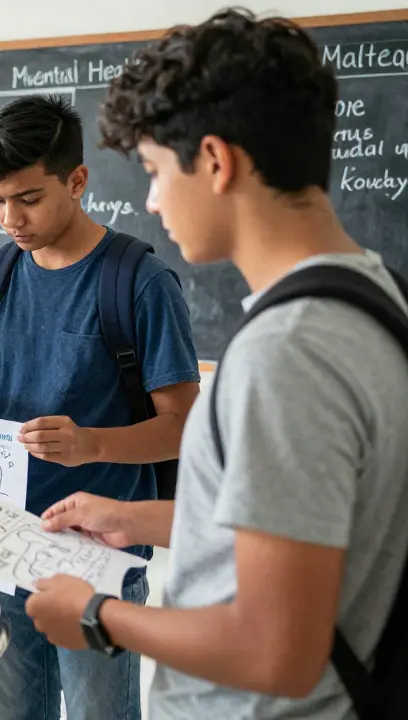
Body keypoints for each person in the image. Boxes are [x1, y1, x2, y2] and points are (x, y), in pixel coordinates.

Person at [25, 9, 408, 719]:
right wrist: (133, 519)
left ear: (215, 160)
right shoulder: (376, 294)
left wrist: (95, 615)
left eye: (154, 170)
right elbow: (300, 530)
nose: (150, 199)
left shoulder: (286, 356)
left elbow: (275, 651)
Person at [0, 94, 201, 720]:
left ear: (77, 180)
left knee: (100, 711)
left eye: (29, 198)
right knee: (18, 710)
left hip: (100, 548)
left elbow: (182, 428)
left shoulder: (140, 283)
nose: (9, 217)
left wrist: (92, 443)